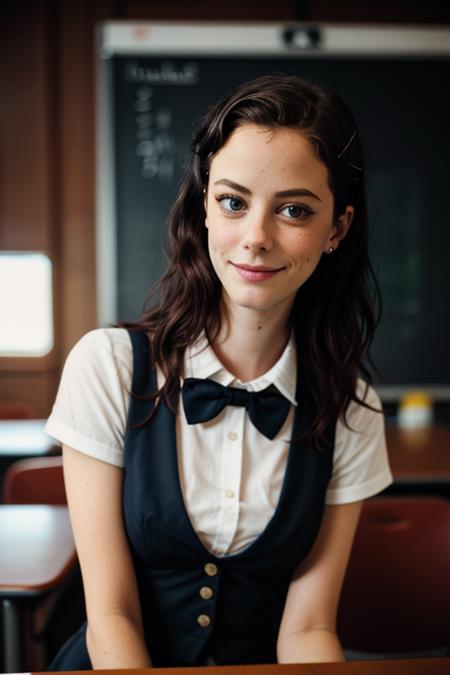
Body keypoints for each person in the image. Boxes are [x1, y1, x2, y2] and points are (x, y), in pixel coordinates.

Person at [45, 73, 393, 669]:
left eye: (293, 210)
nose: (255, 238)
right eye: (234, 201)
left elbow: (307, 630)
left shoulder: (351, 408)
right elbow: (111, 617)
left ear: (336, 229)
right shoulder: (104, 366)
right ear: (204, 206)